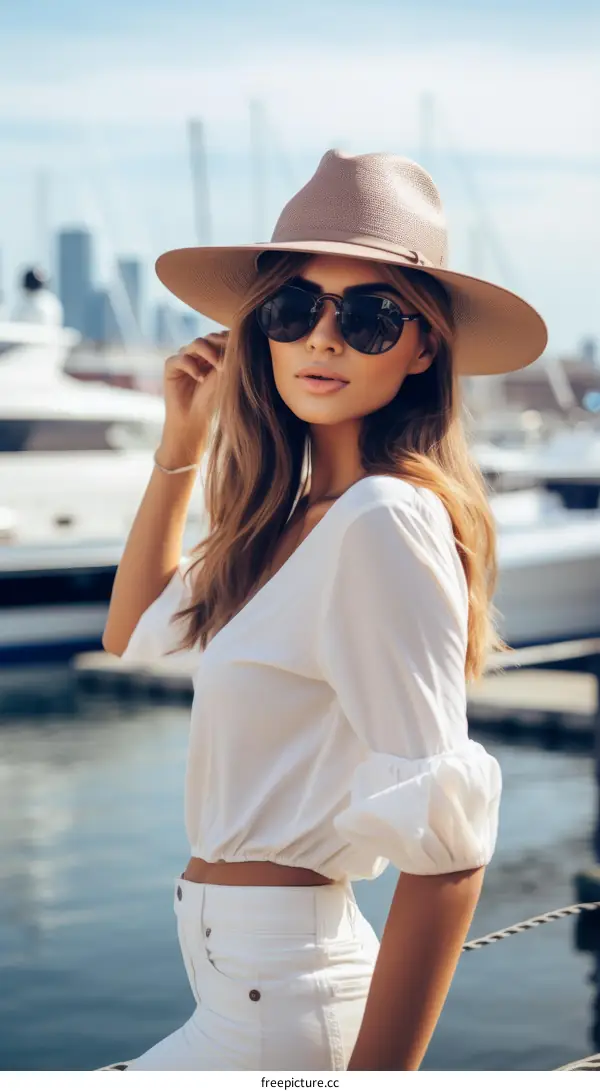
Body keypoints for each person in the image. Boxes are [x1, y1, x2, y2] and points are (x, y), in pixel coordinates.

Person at [100, 149, 547, 1071]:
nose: (323, 339)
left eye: (373, 316)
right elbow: (131, 634)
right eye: (295, 309)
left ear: (425, 346)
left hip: (289, 1004)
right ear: (260, 329)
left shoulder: (385, 519)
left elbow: (449, 853)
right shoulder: (288, 521)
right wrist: (181, 442)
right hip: (239, 994)